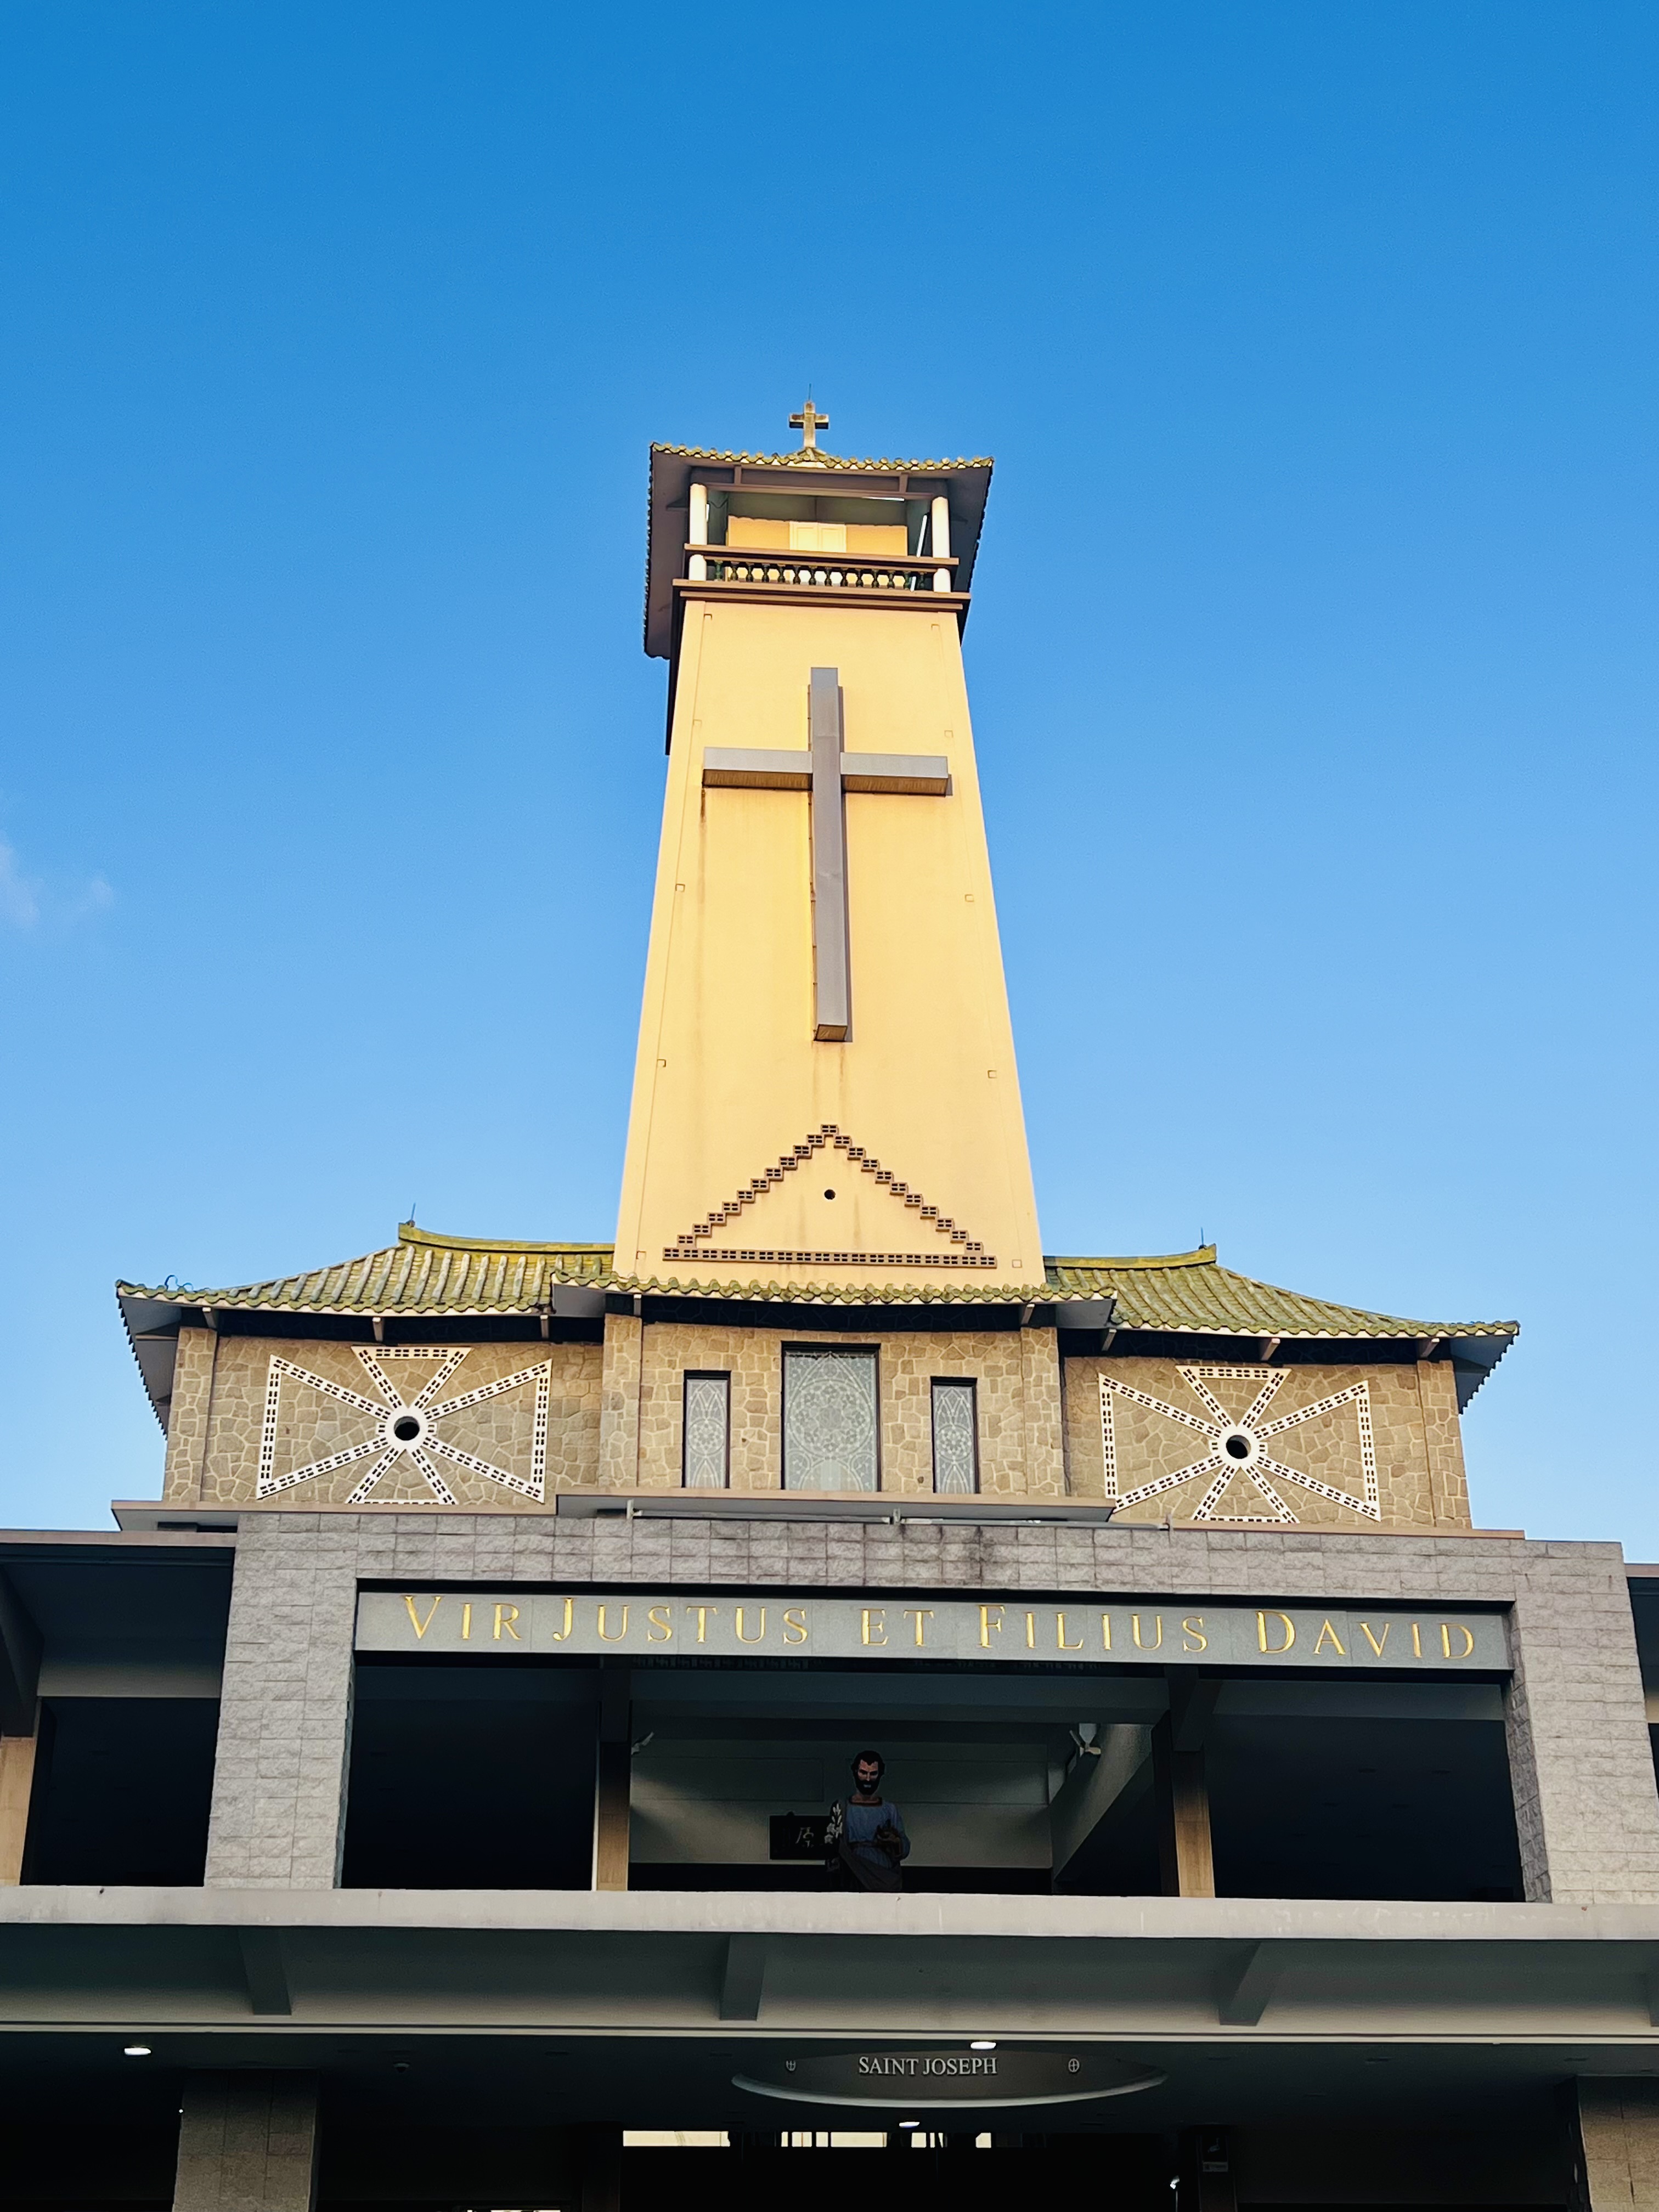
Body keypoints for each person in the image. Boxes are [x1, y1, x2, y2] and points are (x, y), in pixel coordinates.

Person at [825, 1751, 910, 1893]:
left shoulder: (889, 1810)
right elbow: (832, 1845)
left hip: (882, 1873)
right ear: (855, 1772)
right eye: (863, 1773)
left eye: (873, 1774)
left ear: (880, 1775)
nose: (868, 1779)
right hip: (852, 1871)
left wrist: (894, 1841)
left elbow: (904, 1847)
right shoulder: (842, 1807)